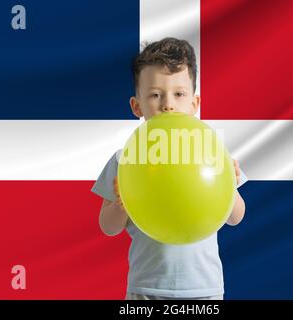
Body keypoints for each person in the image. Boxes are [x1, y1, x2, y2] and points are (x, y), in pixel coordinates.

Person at [91, 37, 247, 300]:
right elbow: (108, 227)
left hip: (204, 289)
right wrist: (121, 205)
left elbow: (235, 217)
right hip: (146, 289)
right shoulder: (126, 158)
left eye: (179, 94)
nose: (168, 104)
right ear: (136, 106)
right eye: (155, 94)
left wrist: (228, 185)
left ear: (194, 104)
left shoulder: (210, 153)